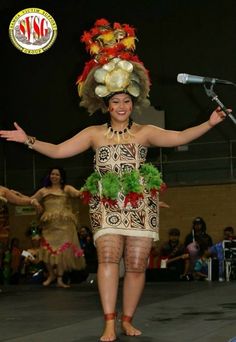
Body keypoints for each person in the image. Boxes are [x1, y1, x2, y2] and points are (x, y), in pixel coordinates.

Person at [0, 18, 227, 341]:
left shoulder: (145, 132)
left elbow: (178, 136)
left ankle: (127, 319)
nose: (121, 106)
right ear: (106, 106)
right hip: (106, 203)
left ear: (133, 104)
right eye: (115, 102)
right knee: (108, 256)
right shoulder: (94, 134)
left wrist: (209, 123)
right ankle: (109, 321)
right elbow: (60, 150)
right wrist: (28, 140)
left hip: (140, 205)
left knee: (135, 264)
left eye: (126, 101)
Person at [28, 167, 86, 288]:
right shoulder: (43, 190)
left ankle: (60, 279)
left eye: (57, 175)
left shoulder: (67, 188)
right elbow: (31, 199)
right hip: (49, 225)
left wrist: (87, 188)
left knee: (62, 253)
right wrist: (33, 202)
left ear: (61, 177)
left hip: (65, 226)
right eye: (52, 174)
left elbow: (78, 193)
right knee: (46, 250)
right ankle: (51, 275)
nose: (54, 176)